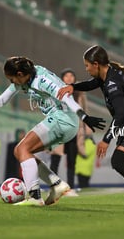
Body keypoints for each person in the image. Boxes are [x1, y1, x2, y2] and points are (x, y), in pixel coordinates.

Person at [0, 56, 105, 206]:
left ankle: (34, 197)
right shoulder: (25, 77)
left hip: (63, 119)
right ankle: (56, 184)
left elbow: (66, 96)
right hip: (63, 121)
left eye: (12, 79)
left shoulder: (41, 80)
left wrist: (85, 117)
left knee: (22, 148)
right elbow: (2, 100)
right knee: (21, 152)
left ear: (19, 74)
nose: (12, 83)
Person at [58, 45, 124, 211]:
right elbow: (90, 84)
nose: (86, 69)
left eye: (87, 65)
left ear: (96, 64)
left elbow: (120, 115)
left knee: (119, 160)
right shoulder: (106, 76)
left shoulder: (112, 83)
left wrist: (106, 140)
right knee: (121, 162)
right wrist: (74, 87)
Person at [50, 68, 90, 196]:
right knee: (55, 159)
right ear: (62, 78)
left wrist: (88, 130)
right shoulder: (55, 90)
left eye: (71, 76)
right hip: (59, 129)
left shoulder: (80, 92)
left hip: (74, 130)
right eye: (66, 76)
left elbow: (85, 111)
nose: (69, 78)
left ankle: (70, 187)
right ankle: (54, 186)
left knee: (72, 160)